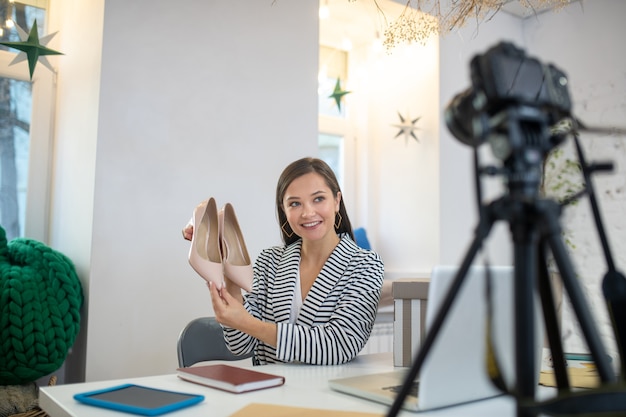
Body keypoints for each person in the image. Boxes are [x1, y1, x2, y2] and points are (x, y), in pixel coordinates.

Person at [183, 157, 384, 365]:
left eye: (318, 199)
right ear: (284, 210)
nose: (308, 213)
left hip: (326, 394)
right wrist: (229, 279)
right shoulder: (270, 261)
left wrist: (248, 323)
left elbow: (339, 345)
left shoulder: (365, 265)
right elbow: (239, 345)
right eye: (295, 203)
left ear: (336, 201)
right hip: (269, 393)